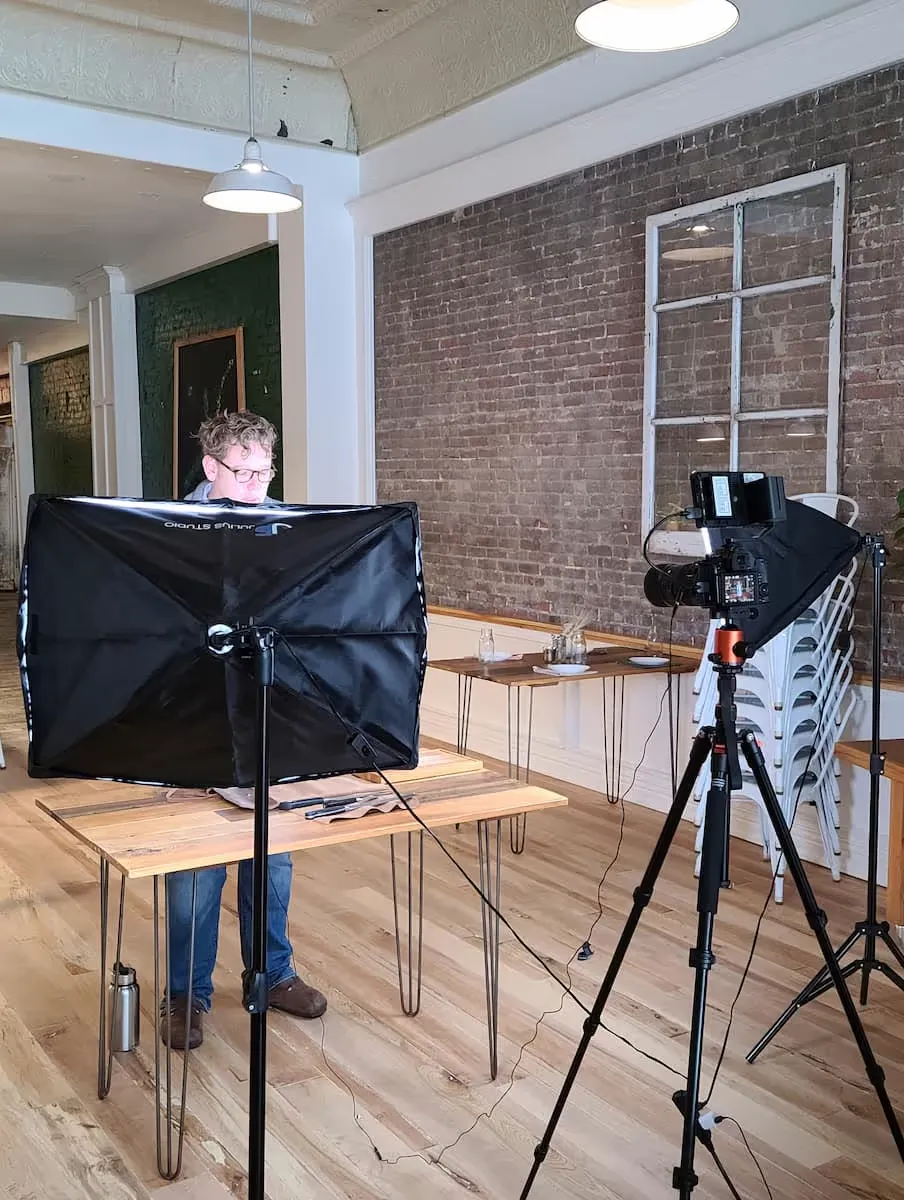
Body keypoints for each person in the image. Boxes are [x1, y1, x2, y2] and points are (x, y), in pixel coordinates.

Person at [162, 409, 327, 1050]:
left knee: (272, 860)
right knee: (196, 872)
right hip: (197, 720)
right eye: (244, 472)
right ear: (211, 468)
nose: (258, 485)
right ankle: (186, 995)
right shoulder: (169, 533)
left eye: (266, 471)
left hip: (265, 715)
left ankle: (271, 975)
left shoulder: (284, 529)